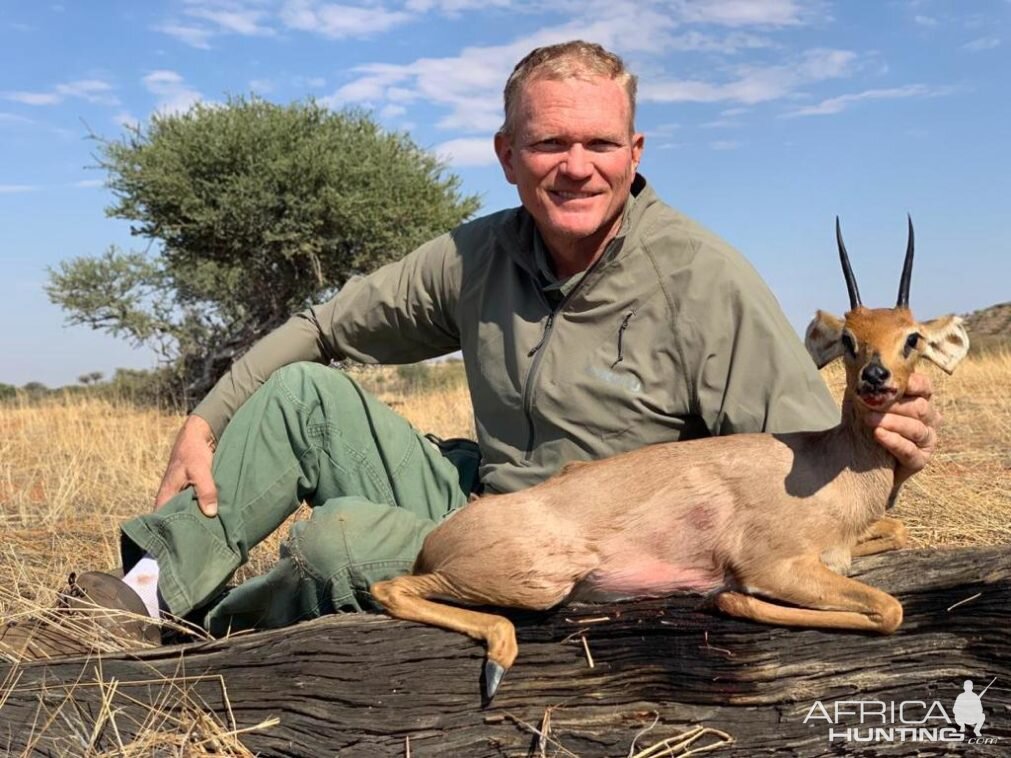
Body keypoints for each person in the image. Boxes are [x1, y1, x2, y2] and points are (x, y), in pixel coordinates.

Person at [0, 41, 940, 658]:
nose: (576, 165)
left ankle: (220, 643)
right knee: (293, 396)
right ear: (505, 152)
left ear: (635, 147)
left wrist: (890, 438)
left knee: (334, 547)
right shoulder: (475, 251)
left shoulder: (704, 278)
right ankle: (138, 596)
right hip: (483, 494)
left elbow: (797, 459)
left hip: (583, 535)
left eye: (599, 143)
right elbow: (323, 329)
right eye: (548, 143)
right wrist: (203, 420)